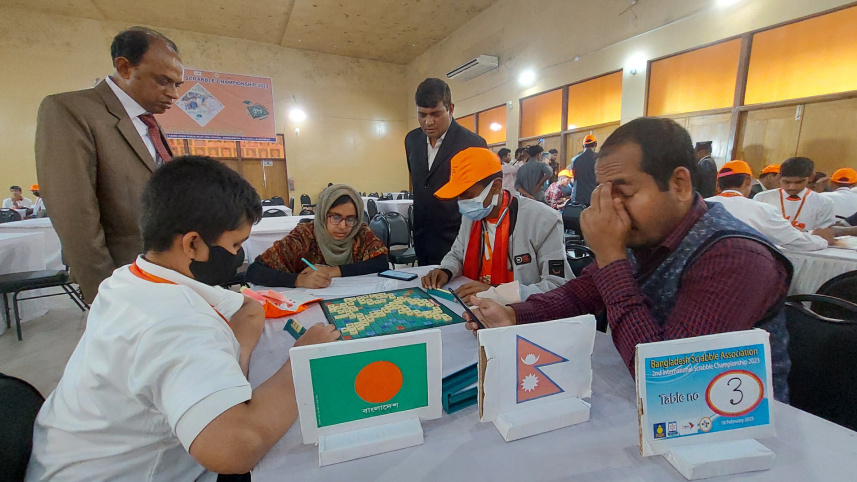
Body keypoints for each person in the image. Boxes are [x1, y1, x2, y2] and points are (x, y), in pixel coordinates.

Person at [26, 156, 340, 481]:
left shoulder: (129, 279)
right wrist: (303, 362)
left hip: (63, 458)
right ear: (192, 243)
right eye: (235, 244)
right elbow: (235, 449)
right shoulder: (178, 321)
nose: (238, 256)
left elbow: (248, 308)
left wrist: (238, 356)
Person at [463, 118, 792, 402]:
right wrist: (512, 315)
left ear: (679, 184)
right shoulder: (647, 236)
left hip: (725, 427)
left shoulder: (736, 257)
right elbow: (579, 295)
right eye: (605, 193)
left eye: (626, 193)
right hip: (644, 403)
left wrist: (610, 257)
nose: (613, 208)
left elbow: (668, 378)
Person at [35, 27, 183, 302]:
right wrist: (106, 294)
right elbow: (74, 215)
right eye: (163, 81)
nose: (173, 94)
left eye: (177, 85)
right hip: (120, 277)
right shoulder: (71, 111)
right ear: (125, 67)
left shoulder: (147, 122)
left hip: (164, 273)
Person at [422, 148, 571, 303]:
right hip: (472, 307)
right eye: (458, 196)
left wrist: (499, 292)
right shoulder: (472, 216)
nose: (462, 202)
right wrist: (446, 270)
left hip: (520, 316)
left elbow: (558, 286)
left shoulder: (543, 220)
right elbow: (458, 254)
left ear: (496, 186)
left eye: (467, 195)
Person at [405, 78, 487, 265]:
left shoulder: (473, 144)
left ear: (450, 109)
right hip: (422, 239)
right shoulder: (412, 140)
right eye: (422, 114)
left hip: (457, 241)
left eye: (436, 114)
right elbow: (420, 184)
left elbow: (479, 199)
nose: (428, 122)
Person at [244, 185, 389, 288]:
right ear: (322, 214)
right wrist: (299, 281)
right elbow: (254, 271)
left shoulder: (359, 232)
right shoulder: (304, 236)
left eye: (350, 219)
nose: (343, 226)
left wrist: (333, 271)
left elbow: (381, 262)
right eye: (335, 217)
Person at [706, 161, 832, 251]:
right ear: (748, 181)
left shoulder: (700, 204)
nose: (792, 187)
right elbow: (796, 241)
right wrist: (822, 240)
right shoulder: (762, 207)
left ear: (718, 186)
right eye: (787, 182)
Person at [754, 157, 835, 231]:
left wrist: (806, 232)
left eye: (799, 182)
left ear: (811, 177)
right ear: (779, 177)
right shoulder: (762, 198)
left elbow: (825, 234)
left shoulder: (824, 202)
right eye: (786, 182)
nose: (792, 187)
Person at [571, 135, 598, 206]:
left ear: (583, 146)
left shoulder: (574, 160)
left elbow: (574, 177)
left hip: (578, 196)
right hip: (594, 196)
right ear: (595, 144)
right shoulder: (599, 158)